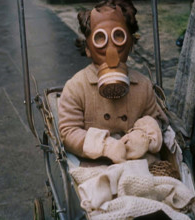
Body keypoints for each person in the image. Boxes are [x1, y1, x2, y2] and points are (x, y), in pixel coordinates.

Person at [58, 0, 168, 164]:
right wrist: (103, 146)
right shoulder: (76, 87)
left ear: (130, 42)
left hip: (139, 162)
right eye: (100, 38)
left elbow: (153, 120)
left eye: (118, 35)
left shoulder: (143, 86)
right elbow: (68, 132)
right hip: (95, 165)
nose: (111, 48)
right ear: (87, 48)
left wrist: (143, 136)